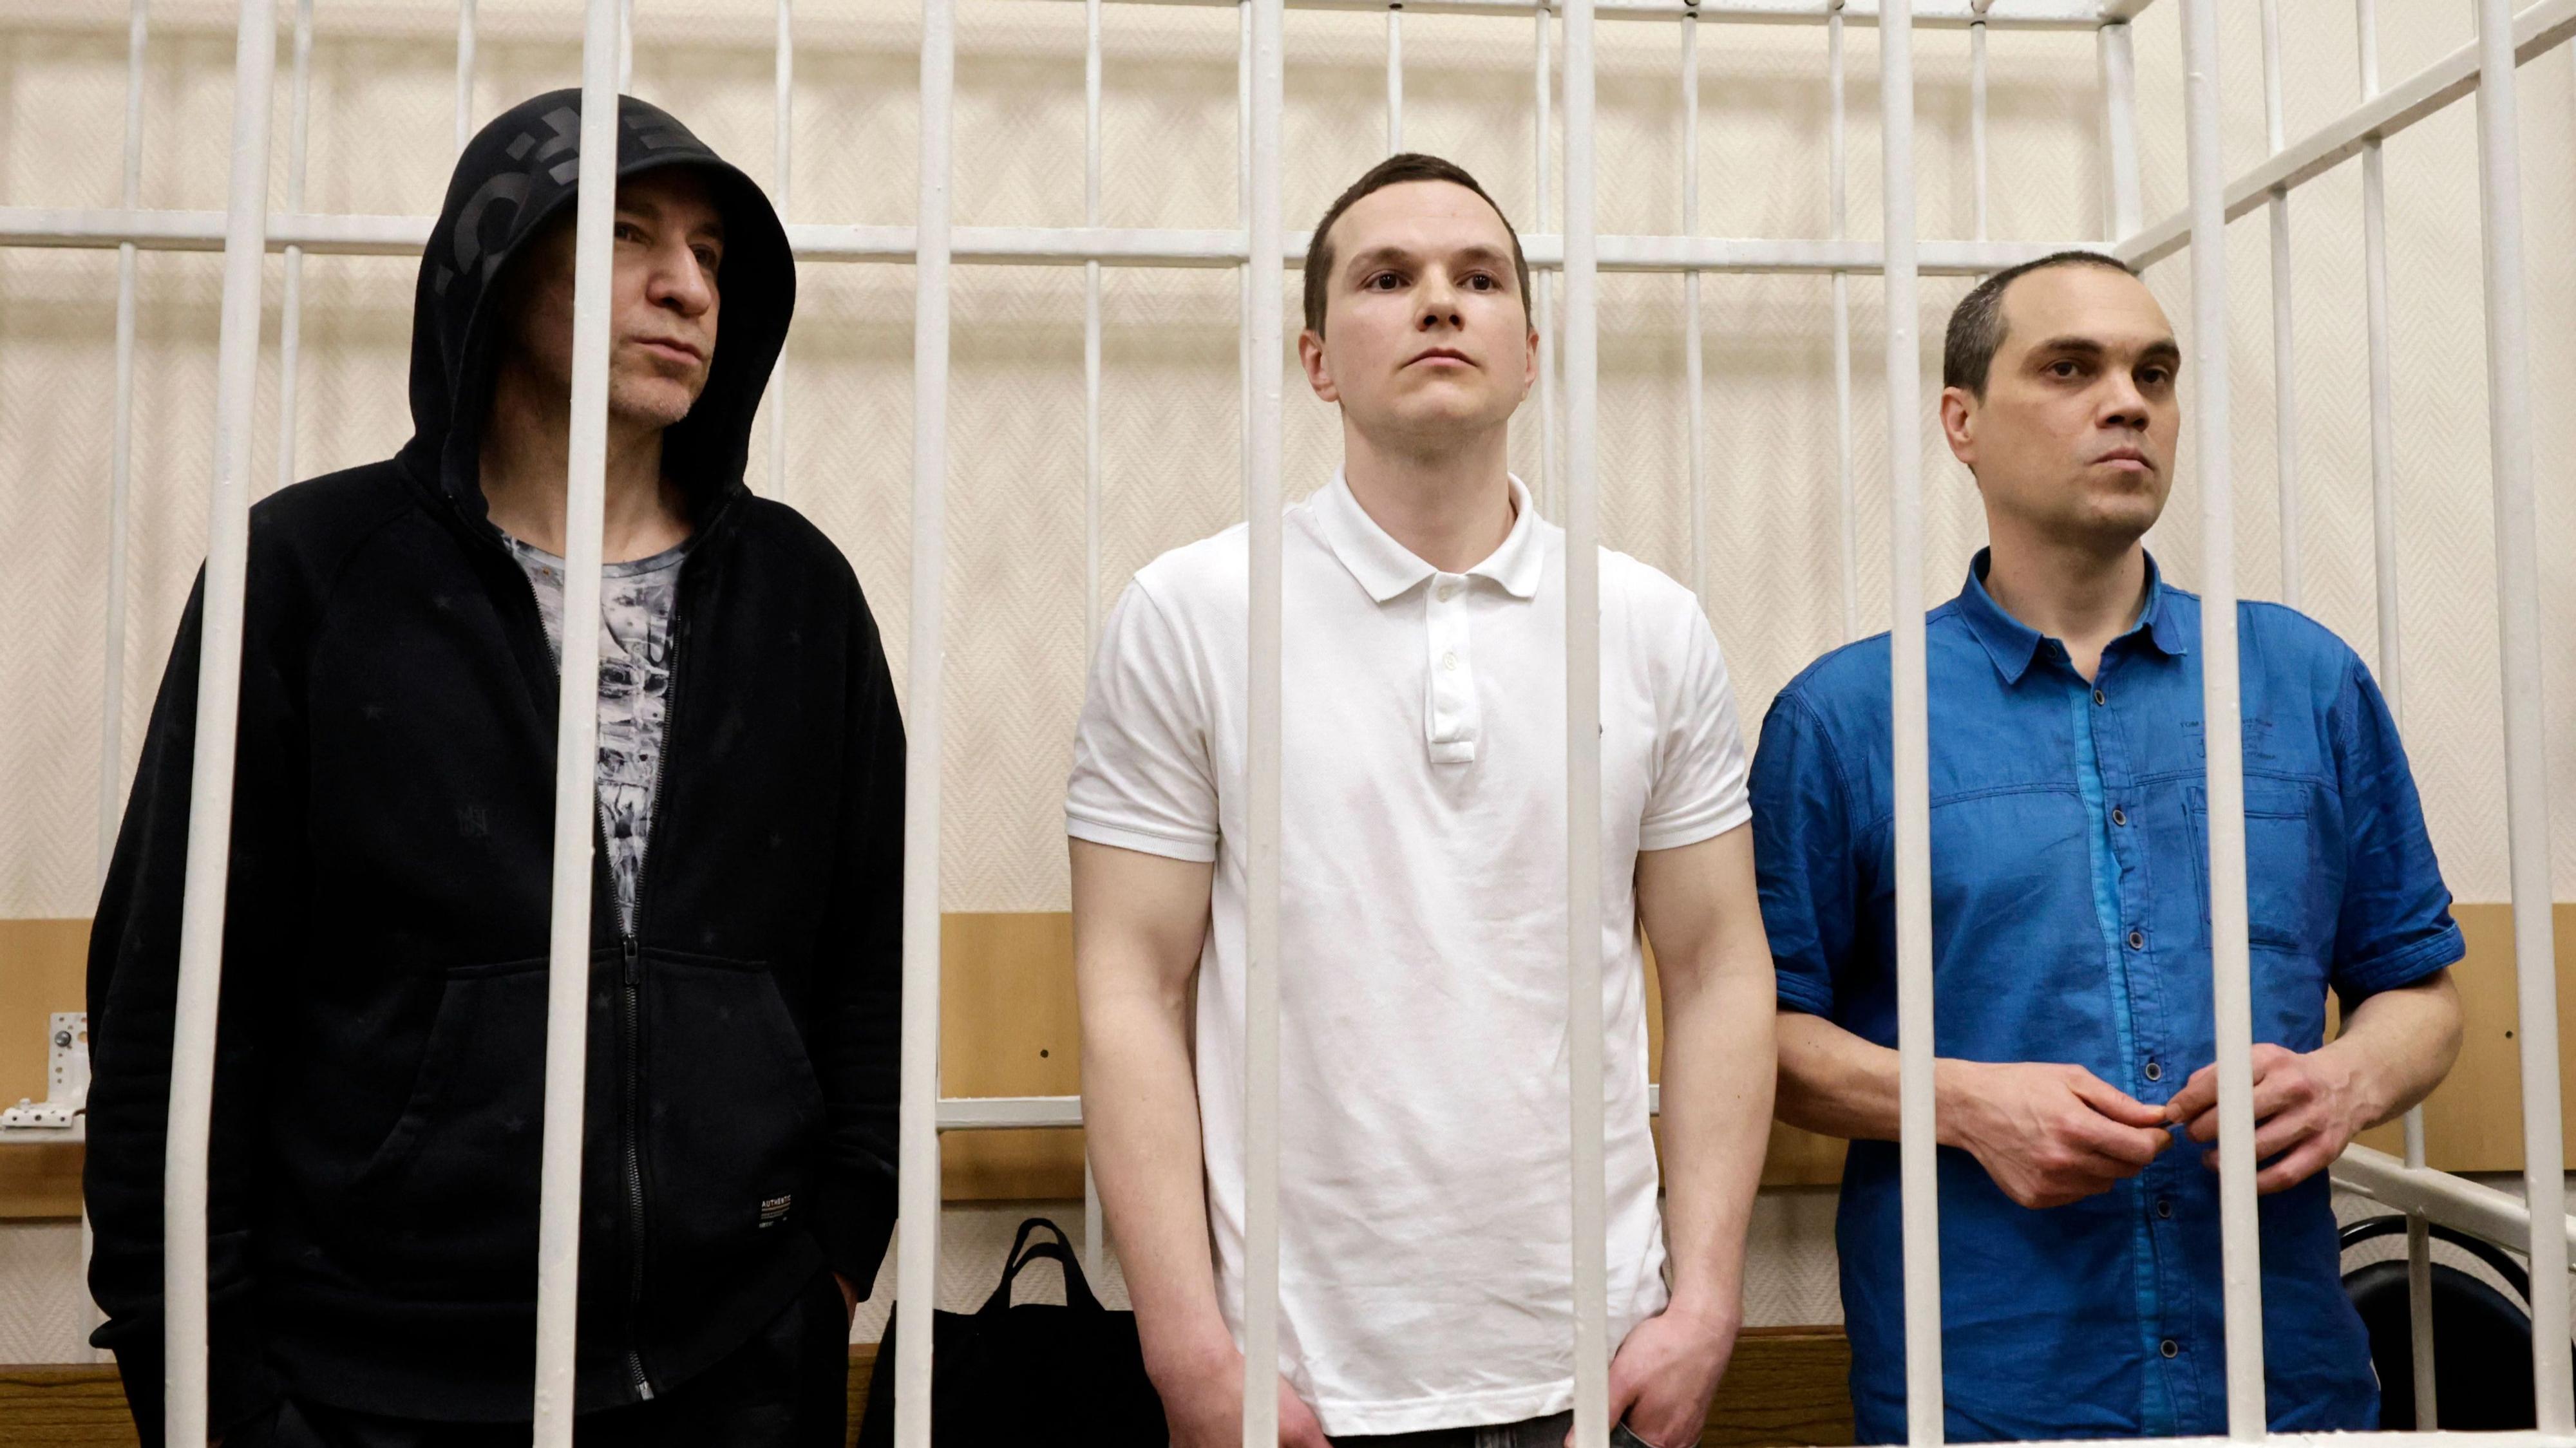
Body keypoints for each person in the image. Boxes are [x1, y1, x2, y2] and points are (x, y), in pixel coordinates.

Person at [84, 90, 904, 1448]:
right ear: (498, 264)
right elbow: (172, 1004)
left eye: (711, 253)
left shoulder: (800, 594)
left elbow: (872, 952)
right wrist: (209, 1389)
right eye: (629, 234)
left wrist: (839, 1242)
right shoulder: (309, 576)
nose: (687, 286)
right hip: (371, 1385)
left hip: (733, 1366)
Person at [1067, 153, 1778, 1448]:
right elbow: (1130, 987)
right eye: (1387, 279)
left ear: (1531, 354)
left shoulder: (1646, 622)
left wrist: (1706, 1306)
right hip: (1293, 1385)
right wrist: (1187, 1347)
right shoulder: (1193, 612)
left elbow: (1717, 966)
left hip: (1603, 1367)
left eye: (1479, 278)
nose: (1440, 302)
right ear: (1317, 359)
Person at [1752, 250, 2464, 1440]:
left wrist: (2348, 1080)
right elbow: (1759, 1041)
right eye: (2071, 368)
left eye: (2155, 373)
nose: (2128, 401)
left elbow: (2422, 992)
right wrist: (1964, 1104)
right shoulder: (1847, 717)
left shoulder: (2304, 680)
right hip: (1985, 1391)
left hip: (2282, 1381)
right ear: (1961, 422)